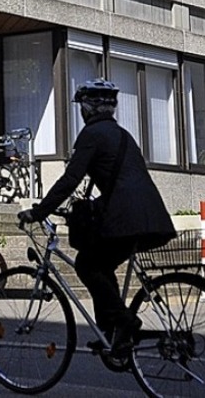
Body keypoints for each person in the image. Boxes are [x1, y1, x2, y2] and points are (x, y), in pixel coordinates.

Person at [19, 78, 176, 352]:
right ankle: (112, 331)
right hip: (151, 217)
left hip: (127, 220)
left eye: (82, 106)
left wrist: (38, 211)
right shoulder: (122, 135)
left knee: (87, 265)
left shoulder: (92, 135)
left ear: (88, 108)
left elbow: (70, 179)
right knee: (101, 265)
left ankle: (124, 322)